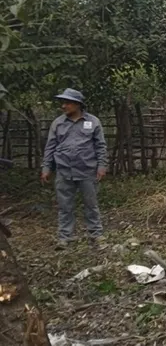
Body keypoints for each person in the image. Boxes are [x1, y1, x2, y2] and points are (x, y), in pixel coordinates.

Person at [41, 88, 108, 250]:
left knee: (91, 204)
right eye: (63, 103)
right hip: (64, 171)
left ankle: (96, 234)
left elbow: (100, 146)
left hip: (87, 170)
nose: (63, 106)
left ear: (78, 104)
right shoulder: (58, 123)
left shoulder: (93, 122)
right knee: (65, 206)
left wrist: (102, 166)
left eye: (67, 103)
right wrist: (46, 167)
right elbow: (50, 147)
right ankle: (65, 237)